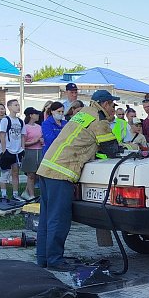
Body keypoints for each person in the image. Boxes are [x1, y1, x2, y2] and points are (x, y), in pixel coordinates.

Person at [35, 89, 121, 271]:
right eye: (113, 105)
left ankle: (43, 258)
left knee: (47, 218)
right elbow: (112, 149)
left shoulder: (83, 114)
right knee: (59, 219)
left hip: (46, 168)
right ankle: (55, 260)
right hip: (62, 173)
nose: (114, 110)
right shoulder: (99, 119)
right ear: (105, 104)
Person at [0, 99, 24, 201]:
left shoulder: (20, 121)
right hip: (8, 150)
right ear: (9, 107)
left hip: (17, 151)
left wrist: (22, 149)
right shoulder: (5, 120)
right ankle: (3, 194)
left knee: (15, 172)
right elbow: (2, 135)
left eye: (18, 105)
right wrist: (4, 150)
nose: (18, 107)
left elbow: (22, 136)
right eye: (15, 105)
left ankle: (15, 194)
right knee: (5, 172)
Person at [21, 107, 43, 201]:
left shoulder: (39, 127)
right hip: (30, 152)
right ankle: (31, 195)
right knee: (31, 174)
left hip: (40, 151)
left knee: (37, 174)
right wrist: (34, 141)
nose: (38, 116)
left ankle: (26, 192)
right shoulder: (25, 127)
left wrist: (41, 141)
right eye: (36, 114)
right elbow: (23, 143)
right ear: (31, 115)